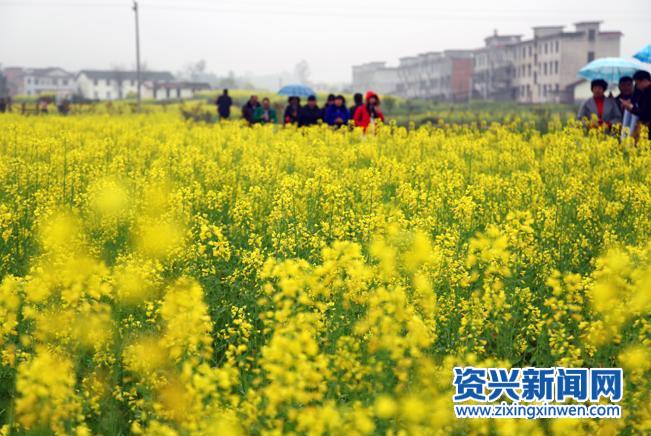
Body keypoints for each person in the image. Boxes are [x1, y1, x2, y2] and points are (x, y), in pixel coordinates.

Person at [622, 70, 651, 139]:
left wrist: (631, 108)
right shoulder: (641, 91)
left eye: (637, 83)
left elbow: (645, 113)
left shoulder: (649, 93)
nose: (637, 86)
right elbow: (635, 98)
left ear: (644, 81)